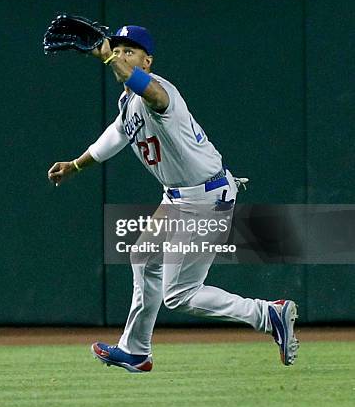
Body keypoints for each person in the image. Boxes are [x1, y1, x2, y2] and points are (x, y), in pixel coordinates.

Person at [48, 25, 299, 372]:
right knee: (143, 256)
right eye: (117, 48)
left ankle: (268, 314)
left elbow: (151, 93)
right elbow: (116, 135)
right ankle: (135, 350)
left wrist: (107, 56)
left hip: (204, 197)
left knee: (180, 294)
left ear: (147, 61)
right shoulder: (128, 103)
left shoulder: (159, 91)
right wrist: (76, 165)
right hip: (179, 197)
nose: (121, 54)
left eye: (130, 51)